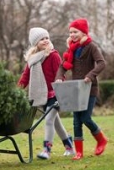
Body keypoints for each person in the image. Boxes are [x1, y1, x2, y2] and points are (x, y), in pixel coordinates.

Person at [55, 18, 108, 160]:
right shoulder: (71, 49)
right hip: (75, 89)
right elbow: (62, 66)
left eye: (75, 32)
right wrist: (60, 77)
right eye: (70, 32)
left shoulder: (91, 47)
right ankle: (79, 152)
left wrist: (90, 75)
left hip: (90, 88)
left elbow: (102, 63)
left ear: (83, 32)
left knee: (85, 117)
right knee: (76, 121)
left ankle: (101, 140)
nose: (72, 35)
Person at [17, 27, 74, 159]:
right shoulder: (32, 59)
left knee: (48, 120)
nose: (45, 40)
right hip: (41, 95)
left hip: (55, 94)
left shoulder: (53, 55)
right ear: (35, 42)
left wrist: (60, 85)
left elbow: (60, 73)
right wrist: (18, 90)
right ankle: (69, 146)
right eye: (42, 39)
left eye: (47, 38)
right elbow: (25, 77)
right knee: (56, 123)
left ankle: (46, 150)